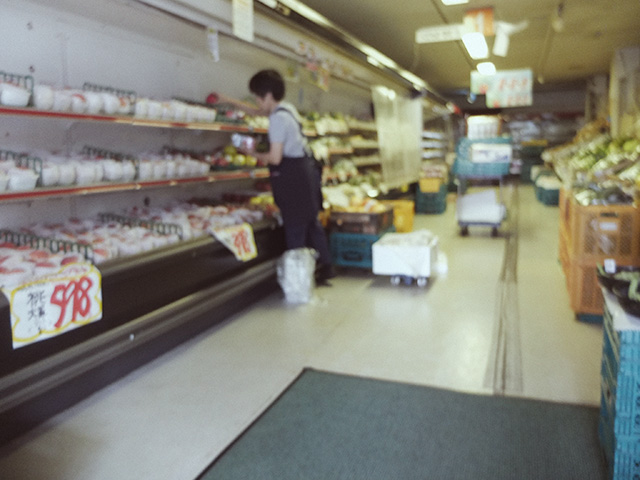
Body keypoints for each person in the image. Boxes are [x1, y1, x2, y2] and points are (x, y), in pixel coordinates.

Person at [246, 69, 335, 285]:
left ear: (268, 96)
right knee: (312, 224)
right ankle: (326, 268)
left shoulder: (277, 119)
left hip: (292, 181)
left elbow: (275, 158)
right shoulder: (288, 110)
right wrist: (228, 101)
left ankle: (298, 281)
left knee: (295, 230)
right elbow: (260, 112)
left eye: (258, 97)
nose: (257, 103)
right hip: (305, 176)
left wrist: (252, 153)